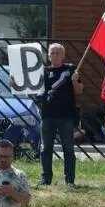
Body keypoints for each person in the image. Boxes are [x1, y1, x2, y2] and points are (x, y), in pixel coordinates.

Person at [38, 43, 83, 188]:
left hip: (66, 116)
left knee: (68, 149)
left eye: (58, 53)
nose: (55, 55)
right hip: (47, 115)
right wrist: (16, 83)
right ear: (48, 55)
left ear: (63, 55)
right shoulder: (42, 71)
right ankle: (46, 179)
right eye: (52, 53)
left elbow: (80, 90)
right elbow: (31, 90)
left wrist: (75, 80)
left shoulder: (70, 69)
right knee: (46, 149)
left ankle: (70, 180)